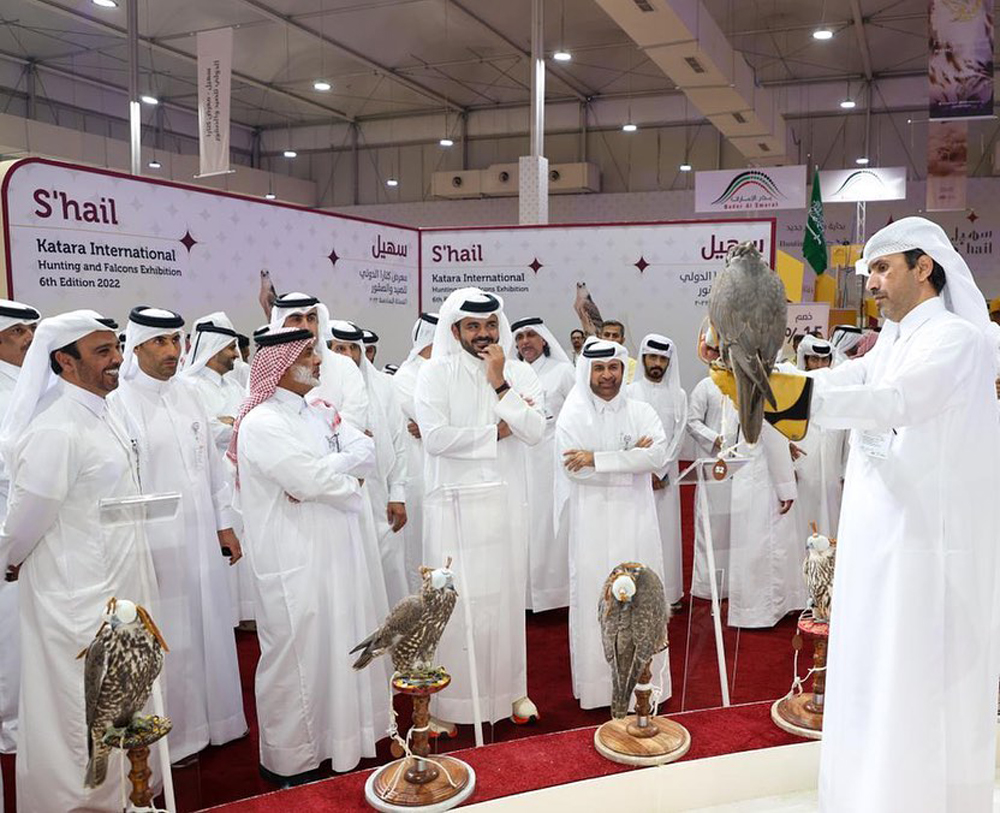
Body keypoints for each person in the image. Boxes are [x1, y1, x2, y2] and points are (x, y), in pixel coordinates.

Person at [803, 219, 1000, 811]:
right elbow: (847, 379)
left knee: (912, 680)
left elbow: (899, 402)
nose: (872, 284)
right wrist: (769, 382)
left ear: (924, 267)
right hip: (878, 542)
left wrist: (796, 400)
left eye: (883, 269)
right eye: (869, 273)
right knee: (870, 672)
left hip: (925, 552)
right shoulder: (889, 341)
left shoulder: (954, 339)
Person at [0, 310, 160, 813]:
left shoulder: (105, 411)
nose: (117, 360)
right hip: (75, 598)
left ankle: (123, 798)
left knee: (118, 705)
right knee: (78, 711)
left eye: (116, 349)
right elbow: (26, 520)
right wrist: (10, 559)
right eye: (102, 352)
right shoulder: (56, 428)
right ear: (64, 363)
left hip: (116, 589)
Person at [231, 327, 388, 782]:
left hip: (335, 549)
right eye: (307, 354)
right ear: (278, 366)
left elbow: (366, 451)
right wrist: (342, 478)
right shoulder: (262, 422)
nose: (319, 360)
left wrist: (335, 474)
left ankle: (340, 744)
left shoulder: (316, 412)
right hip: (292, 557)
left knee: (338, 645)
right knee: (294, 655)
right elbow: (307, 483)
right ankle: (289, 759)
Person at [110, 307, 247, 762]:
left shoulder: (189, 395)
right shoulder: (120, 400)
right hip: (153, 540)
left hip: (200, 535)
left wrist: (223, 523)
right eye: (160, 343)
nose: (172, 351)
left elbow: (210, 468)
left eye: (176, 341)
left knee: (209, 623)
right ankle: (177, 737)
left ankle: (221, 723)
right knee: (171, 635)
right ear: (137, 347)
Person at [414, 288, 545, 731]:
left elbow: (532, 430)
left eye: (490, 325)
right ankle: (447, 707)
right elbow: (434, 437)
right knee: (456, 605)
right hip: (454, 512)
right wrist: (493, 433)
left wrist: (500, 382)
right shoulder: (434, 375)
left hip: (505, 506)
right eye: (473, 326)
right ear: (455, 330)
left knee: (505, 601)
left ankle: (508, 693)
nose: (484, 334)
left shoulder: (518, 373)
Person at [556, 339, 671, 710]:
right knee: (597, 598)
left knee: (645, 595)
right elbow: (574, 472)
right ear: (587, 371)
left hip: (636, 518)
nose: (607, 376)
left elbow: (657, 455)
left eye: (614, 368)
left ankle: (647, 687)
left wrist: (598, 458)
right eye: (599, 368)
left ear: (624, 369)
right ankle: (599, 690)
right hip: (591, 521)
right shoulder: (573, 415)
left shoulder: (641, 410)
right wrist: (628, 458)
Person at [180, 312, 256, 625]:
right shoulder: (190, 386)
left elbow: (244, 424)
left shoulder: (235, 387)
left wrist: (231, 423)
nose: (236, 354)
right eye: (229, 349)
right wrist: (234, 424)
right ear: (212, 350)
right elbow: (205, 430)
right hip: (213, 477)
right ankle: (225, 617)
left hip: (241, 476)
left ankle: (245, 613)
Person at [330, 320, 409, 606]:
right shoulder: (317, 389)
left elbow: (399, 443)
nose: (348, 355)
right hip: (337, 499)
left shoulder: (384, 385)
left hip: (380, 500)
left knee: (390, 575)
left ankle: (395, 646)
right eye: (339, 348)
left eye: (354, 348)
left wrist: (398, 494)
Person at [511, 317, 576, 612]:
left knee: (550, 526)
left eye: (531, 335)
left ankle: (554, 596)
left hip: (551, 461)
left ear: (545, 340)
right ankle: (523, 598)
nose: (525, 341)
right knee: (520, 526)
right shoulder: (511, 373)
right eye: (520, 336)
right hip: (517, 459)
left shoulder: (563, 372)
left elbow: (577, 411)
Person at [0, 299, 39, 767]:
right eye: (18, 332)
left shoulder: (33, 382)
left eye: (31, 331)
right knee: (9, 627)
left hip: (36, 515)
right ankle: (11, 726)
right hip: (7, 519)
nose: (29, 339)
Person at [726, 413, 804, 628]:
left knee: (750, 546)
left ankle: (748, 609)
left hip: (746, 475)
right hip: (765, 480)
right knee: (767, 546)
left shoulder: (739, 394)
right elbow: (774, 444)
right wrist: (787, 487)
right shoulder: (767, 398)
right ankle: (763, 610)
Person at [627, 334, 687, 609]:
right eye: (653, 357)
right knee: (638, 531)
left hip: (666, 477)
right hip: (637, 476)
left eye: (663, 359)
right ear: (643, 358)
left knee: (666, 533)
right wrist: (646, 468)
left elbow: (679, 434)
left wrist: (660, 470)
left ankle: (668, 594)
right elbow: (629, 435)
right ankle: (636, 592)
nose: (657, 363)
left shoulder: (679, 395)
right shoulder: (630, 392)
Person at [268, 292, 369, 431]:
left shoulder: (345, 366)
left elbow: (354, 422)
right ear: (281, 325)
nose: (306, 327)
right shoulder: (268, 367)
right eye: (296, 319)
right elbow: (267, 420)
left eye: (311, 318)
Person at [392, 313, 437, 593]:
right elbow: (430, 418)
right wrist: (434, 426)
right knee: (420, 543)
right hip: (418, 472)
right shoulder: (407, 376)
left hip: (444, 469)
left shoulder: (444, 371)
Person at [685, 373, 738, 599]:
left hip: (742, 464)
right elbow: (692, 421)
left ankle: (736, 583)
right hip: (713, 467)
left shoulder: (746, 385)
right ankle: (710, 586)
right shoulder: (706, 385)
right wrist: (715, 438)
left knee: (738, 527)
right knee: (713, 527)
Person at [791, 335, 847, 537]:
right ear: (805, 360)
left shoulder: (839, 387)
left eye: (825, 360)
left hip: (833, 467)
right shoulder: (793, 387)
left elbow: (848, 434)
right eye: (815, 359)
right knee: (804, 512)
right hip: (804, 464)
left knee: (832, 511)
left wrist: (845, 470)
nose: (821, 364)